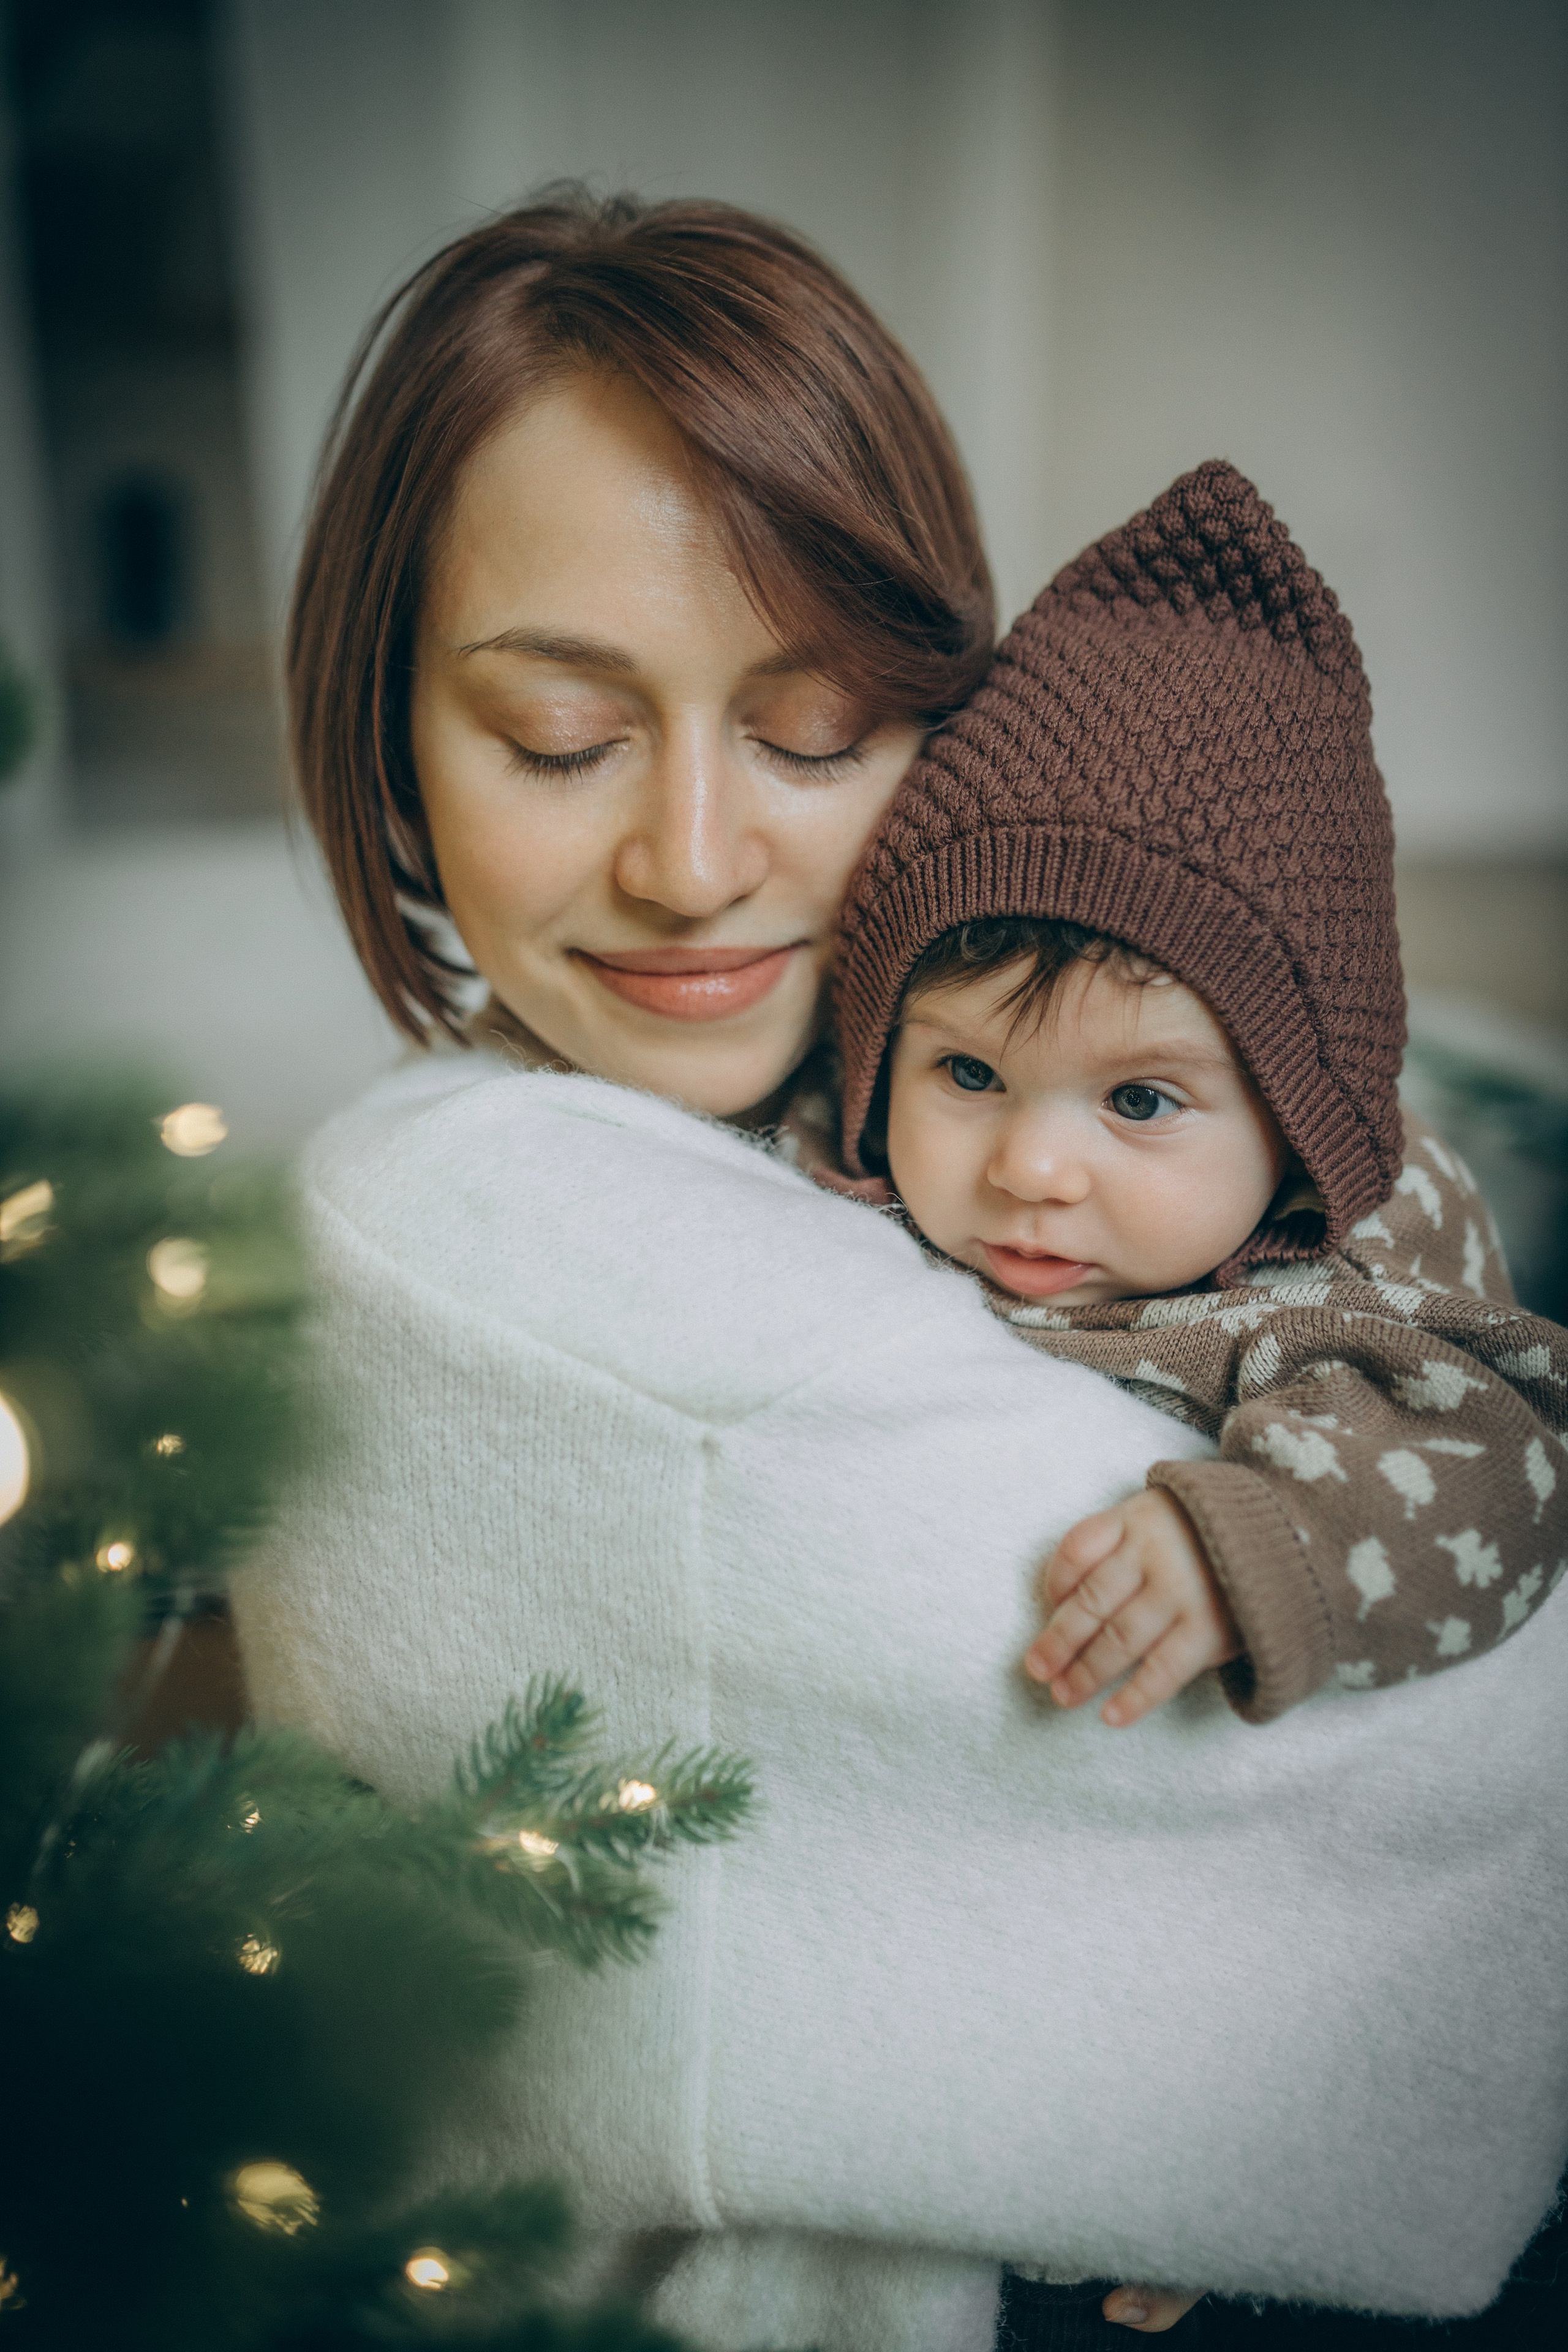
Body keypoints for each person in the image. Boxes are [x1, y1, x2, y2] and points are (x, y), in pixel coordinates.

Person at [233, 192, 1568, 2351]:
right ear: (389, 737)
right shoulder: (506, 1228)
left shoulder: (1240, 1173)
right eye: (562, 741)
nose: (690, 860)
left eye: (820, 728)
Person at [829, 459, 1568, 1734]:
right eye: (966, 1073)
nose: (1030, 1171)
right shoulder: (839, 1162)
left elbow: (1504, 1479)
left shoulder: (1339, 1299)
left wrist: (1263, 1541)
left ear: (1295, 1128)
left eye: (1137, 1104)